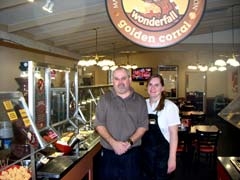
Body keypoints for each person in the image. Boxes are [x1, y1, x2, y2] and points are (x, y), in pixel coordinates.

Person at [94, 67, 149, 180]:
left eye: (123, 78)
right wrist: (113, 143)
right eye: (116, 79)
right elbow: (99, 124)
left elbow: (143, 126)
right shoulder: (104, 99)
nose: (120, 82)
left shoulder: (140, 100)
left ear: (129, 79)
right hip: (109, 154)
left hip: (132, 155)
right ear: (113, 81)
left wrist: (129, 143)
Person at [141, 74, 180, 180]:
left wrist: (172, 158)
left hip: (162, 158)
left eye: (156, 85)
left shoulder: (170, 107)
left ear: (162, 88)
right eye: (150, 84)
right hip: (145, 157)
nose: (153, 88)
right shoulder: (142, 105)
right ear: (147, 87)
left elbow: (173, 134)